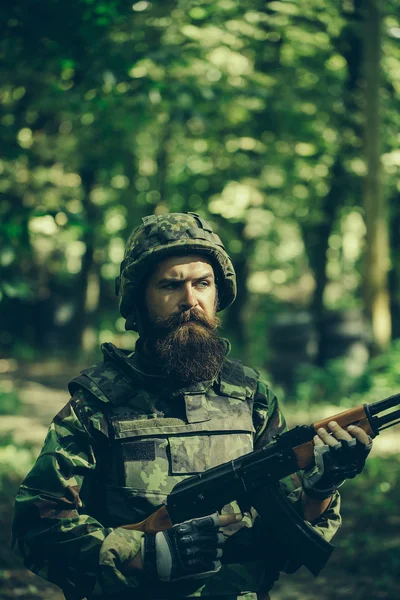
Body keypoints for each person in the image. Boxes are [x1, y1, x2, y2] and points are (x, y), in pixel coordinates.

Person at [12, 212, 372, 600]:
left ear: (217, 295)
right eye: (170, 285)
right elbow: (38, 526)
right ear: (139, 299)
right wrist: (145, 553)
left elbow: (284, 538)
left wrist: (321, 487)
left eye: (203, 283)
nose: (190, 300)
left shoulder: (251, 396)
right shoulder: (97, 403)